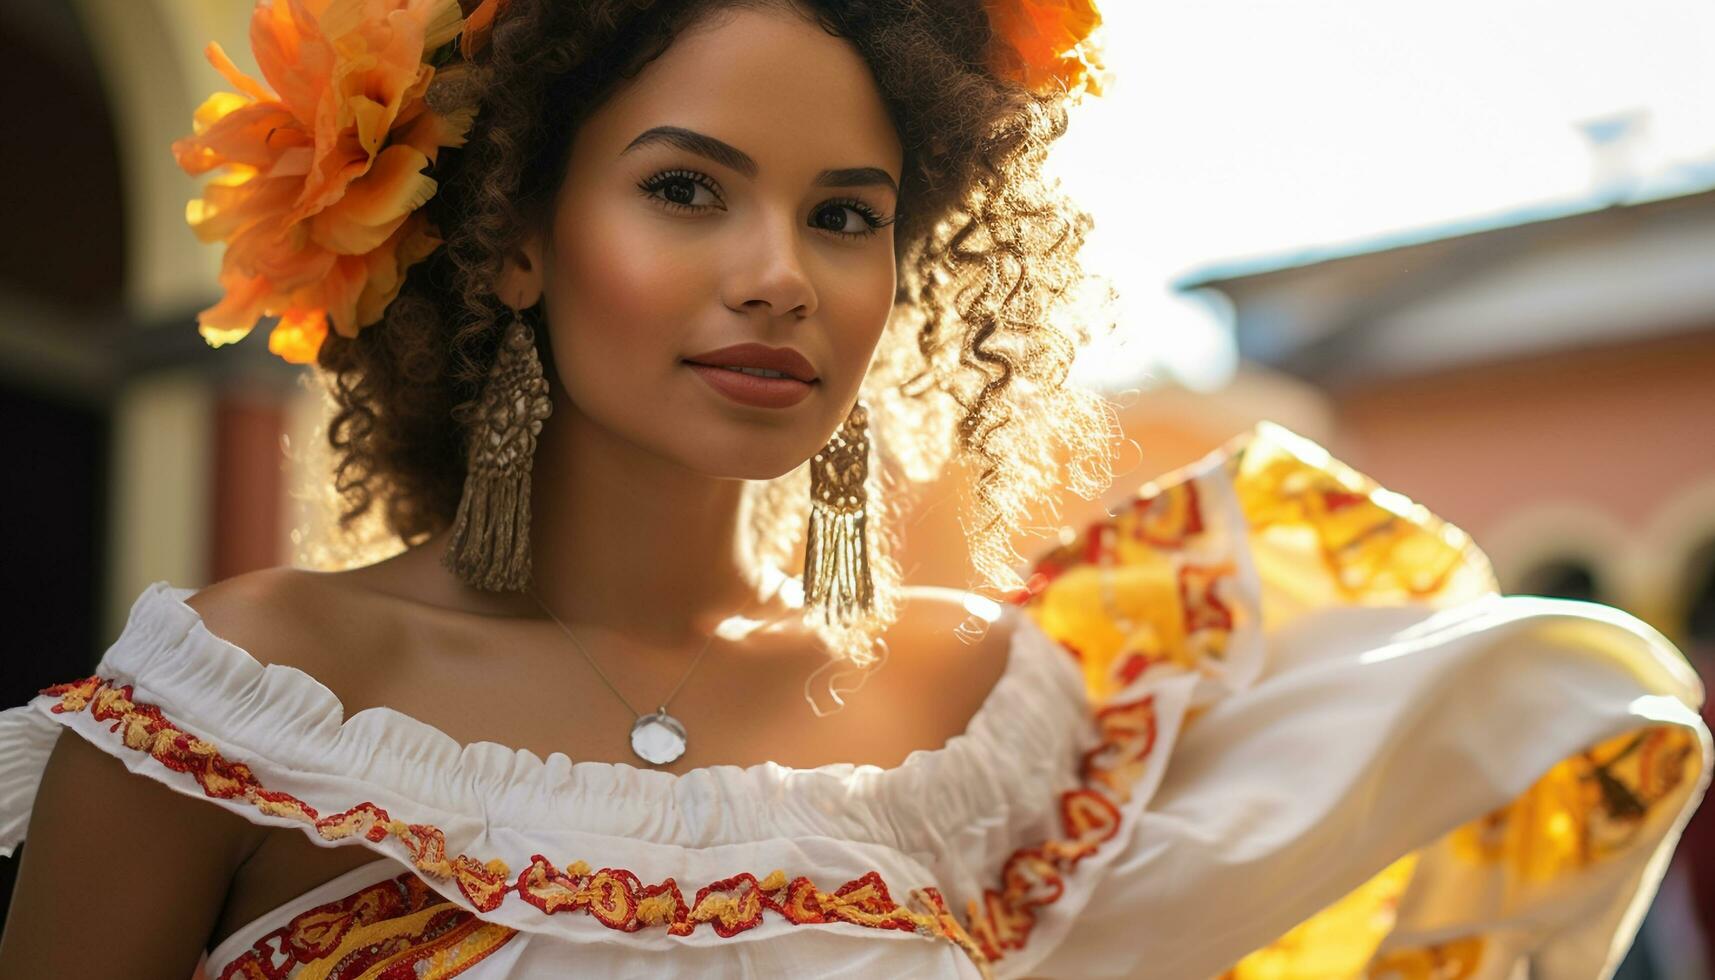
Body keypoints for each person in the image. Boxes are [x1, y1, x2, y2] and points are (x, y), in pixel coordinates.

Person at [0, 0, 1706, 976]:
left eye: (843, 213)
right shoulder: (239, 707)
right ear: (514, 240)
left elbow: (1436, 735)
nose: (780, 277)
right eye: (688, 191)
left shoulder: (992, 718)